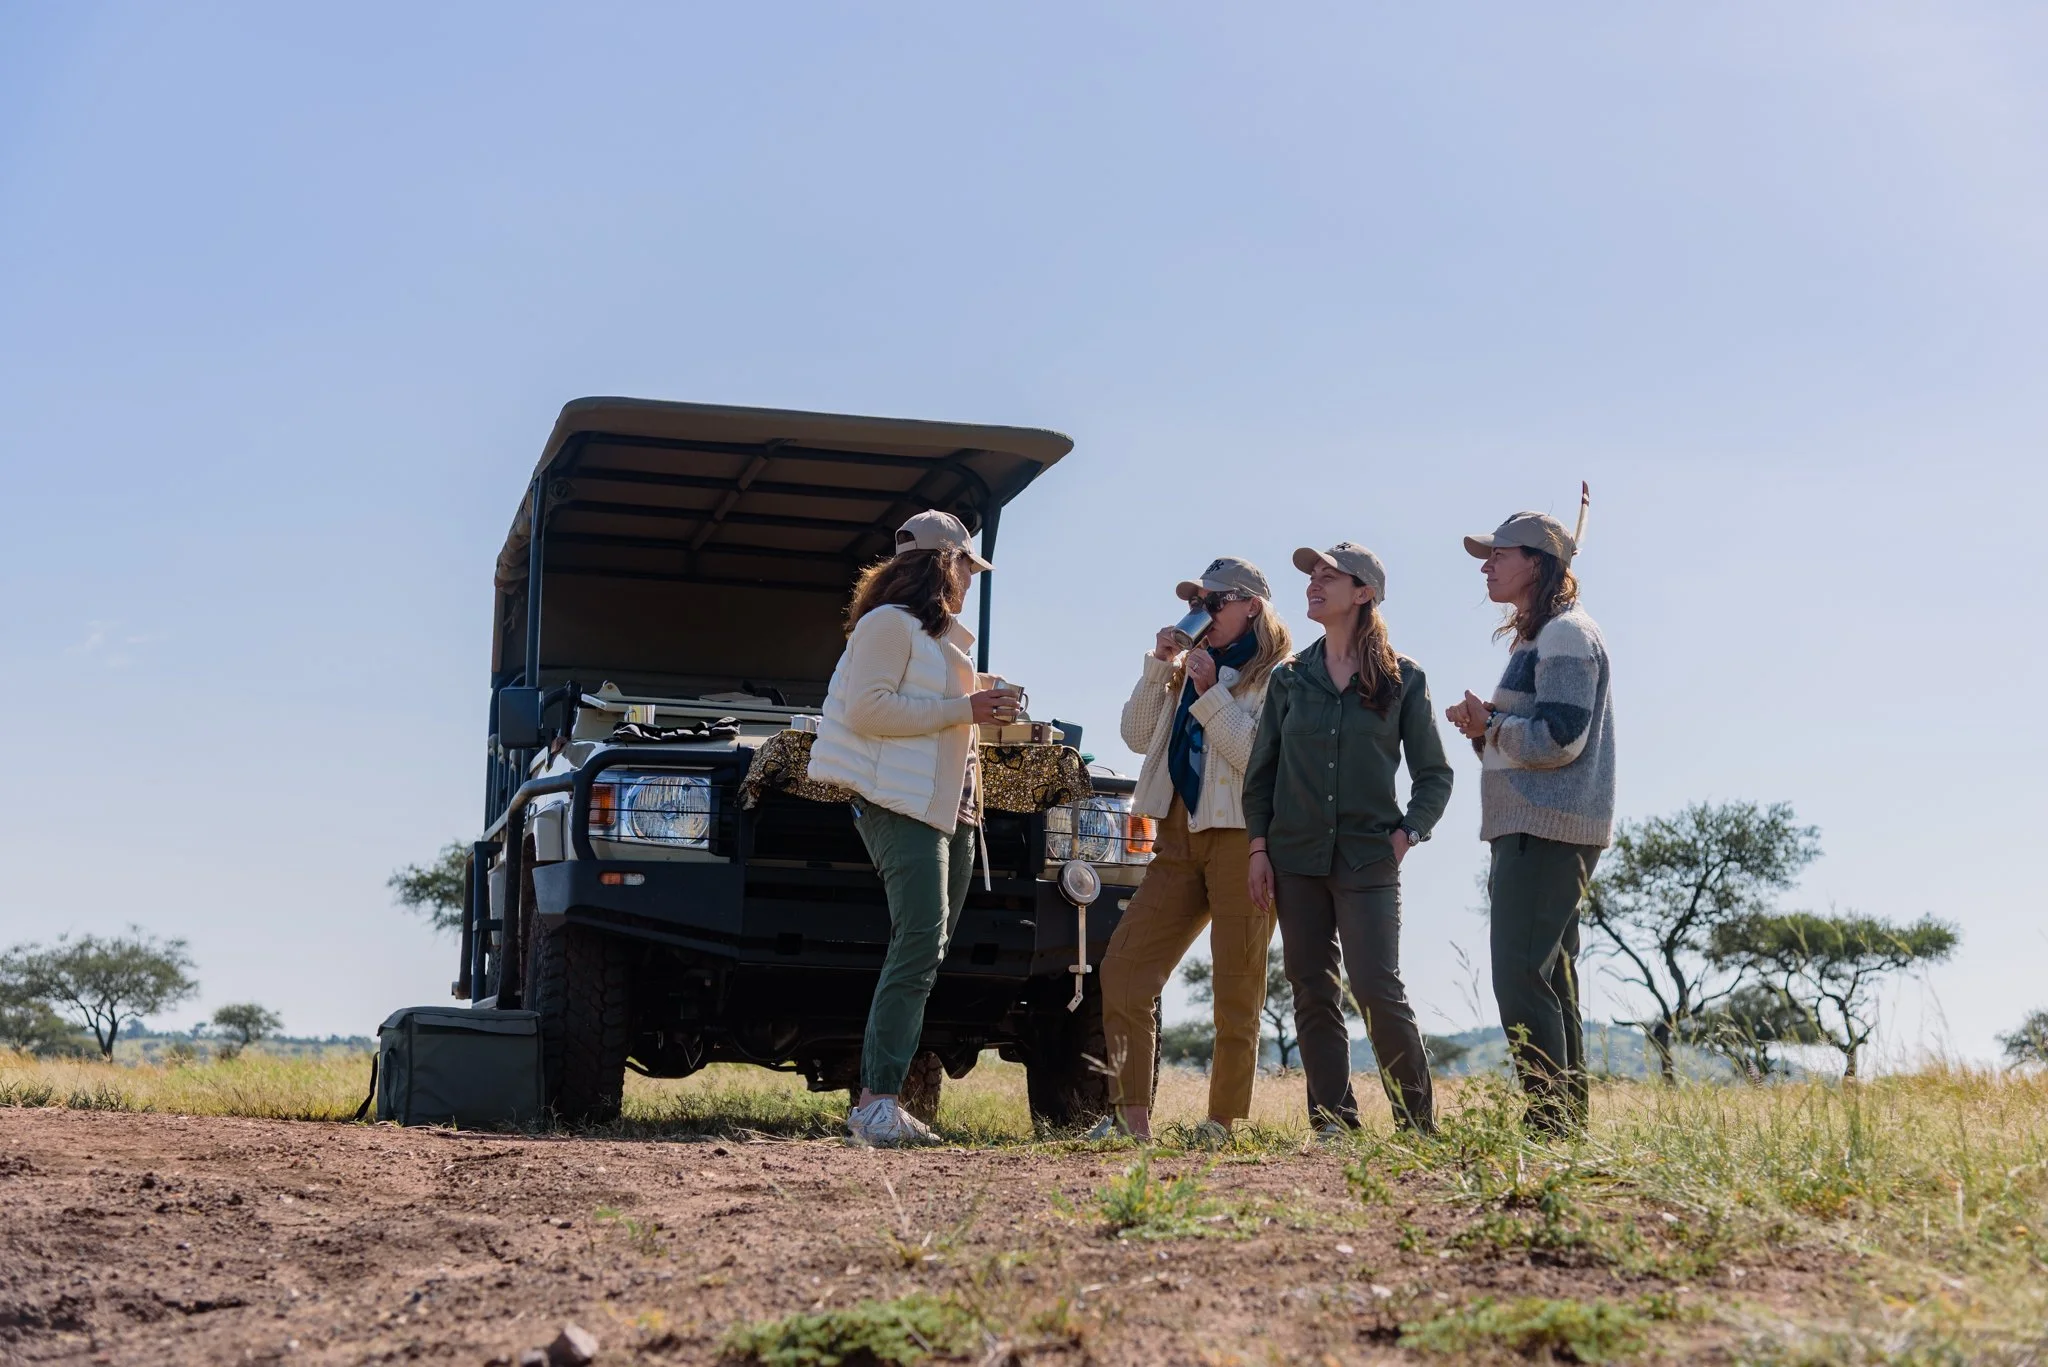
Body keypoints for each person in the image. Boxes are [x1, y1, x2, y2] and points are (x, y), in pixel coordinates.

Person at [808, 510, 1023, 1147]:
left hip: (948, 809)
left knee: (924, 949)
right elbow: (869, 710)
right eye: (966, 567)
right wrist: (968, 706)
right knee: (917, 944)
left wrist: (987, 697)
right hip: (899, 805)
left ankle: (880, 1100)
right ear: (944, 564)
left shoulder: (935, 638)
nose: (970, 581)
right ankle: (876, 1101)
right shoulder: (886, 624)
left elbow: (929, 706)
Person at [1243, 542, 1453, 1136]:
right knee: (1311, 990)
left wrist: (1408, 833)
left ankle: (1418, 1125)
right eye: (1310, 575)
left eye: (1328, 576)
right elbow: (1261, 777)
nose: (1313, 582)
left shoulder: (1404, 679)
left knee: (1377, 988)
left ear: (1363, 593)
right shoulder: (1289, 680)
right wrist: (1258, 850)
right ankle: (1333, 1123)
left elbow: (1435, 775)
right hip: (1293, 859)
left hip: (1368, 858)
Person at [1094, 557, 1292, 1145]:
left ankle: (1223, 1124)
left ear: (1251, 605)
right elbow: (1134, 735)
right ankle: (1132, 1122)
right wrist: (1160, 667)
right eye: (1197, 601)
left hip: (1244, 838)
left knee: (1237, 985)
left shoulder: (1280, 675)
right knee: (1123, 970)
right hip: (1177, 834)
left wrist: (1208, 692)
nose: (1201, 612)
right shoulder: (1185, 669)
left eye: (1214, 601)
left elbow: (1258, 758)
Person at [1445, 505, 1615, 1136]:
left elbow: (1561, 738)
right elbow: (1534, 736)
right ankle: (1564, 1125)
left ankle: (1549, 1122)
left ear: (1537, 564)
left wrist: (1491, 726)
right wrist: (1484, 729)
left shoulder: (1565, 635)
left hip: (1546, 827)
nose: (1486, 566)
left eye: (1499, 554)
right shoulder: (1540, 637)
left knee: (1520, 975)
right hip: (1542, 825)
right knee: (1549, 975)